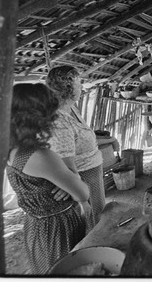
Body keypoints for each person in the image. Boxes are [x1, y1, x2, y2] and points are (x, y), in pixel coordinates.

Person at [6, 83, 91, 274]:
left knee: (47, 271)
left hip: (36, 226)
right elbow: (83, 193)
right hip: (58, 228)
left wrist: (64, 179)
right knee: (66, 270)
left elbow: (42, 181)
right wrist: (72, 178)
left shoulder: (12, 148)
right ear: (40, 117)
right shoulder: (40, 156)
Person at [46, 66, 104, 228]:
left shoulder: (71, 108)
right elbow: (66, 163)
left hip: (91, 173)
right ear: (68, 87)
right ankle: (93, 250)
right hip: (82, 178)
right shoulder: (59, 121)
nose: (82, 87)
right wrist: (79, 196)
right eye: (79, 84)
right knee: (92, 221)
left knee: (98, 216)